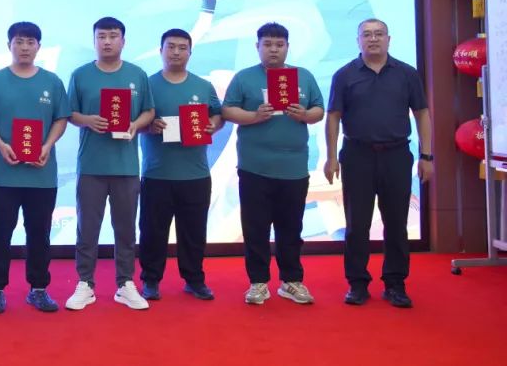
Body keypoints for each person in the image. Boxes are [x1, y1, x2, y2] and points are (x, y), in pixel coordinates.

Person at [324, 18, 432, 308]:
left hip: (396, 155)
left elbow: (422, 113)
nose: (373, 39)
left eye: (379, 34)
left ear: (388, 39)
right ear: (358, 40)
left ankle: (395, 284)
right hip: (357, 155)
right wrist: (331, 157)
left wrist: (427, 156)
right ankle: (357, 283)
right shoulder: (344, 75)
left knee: (396, 222)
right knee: (356, 223)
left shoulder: (406, 73)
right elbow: (333, 116)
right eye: (367, 35)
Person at [222, 22, 323, 305]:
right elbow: (227, 110)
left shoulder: (303, 76)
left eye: (279, 45)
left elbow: (319, 109)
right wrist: (254, 116)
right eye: (267, 44)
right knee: (255, 227)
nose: (273, 50)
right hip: (254, 167)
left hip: (294, 168)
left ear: (287, 47)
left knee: (291, 227)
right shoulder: (244, 78)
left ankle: (291, 281)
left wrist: (305, 115)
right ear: (257, 47)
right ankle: (258, 283)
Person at [0, 21, 70, 314]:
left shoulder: (52, 82)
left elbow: (61, 119)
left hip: (41, 174)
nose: (25, 47)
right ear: (9, 45)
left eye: (31, 42)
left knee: (39, 233)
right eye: (19, 41)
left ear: (39, 46)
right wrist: (1, 145)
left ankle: (38, 289)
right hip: (3, 174)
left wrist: (47, 146)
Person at [64, 17, 154, 311]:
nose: (107, 41)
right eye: (101, 36)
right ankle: (85, 283)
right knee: (87, 228)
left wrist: (135, 124)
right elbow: (70, 113)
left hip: (126, 166)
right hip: (91, 165)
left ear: (123, 41)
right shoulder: (81, 75)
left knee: (125, 229)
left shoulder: (137, 74)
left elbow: (149, 112)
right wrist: (87, 120)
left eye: (113, 36)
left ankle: (125, 283)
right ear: (94, 41)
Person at [139, 28, 223, 302]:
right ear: (160, 50)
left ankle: (194, 279)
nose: (176, 52)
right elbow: (135, 121)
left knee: (194, 231)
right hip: (157, 172)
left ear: (190, 52)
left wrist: (212, 125)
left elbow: (218, 115)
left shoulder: (203, 86)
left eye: (182, 47)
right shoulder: (147, 85)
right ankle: (151, 280)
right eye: (171, 46)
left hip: (195, 173)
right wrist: (149, 126)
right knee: (153, 231)